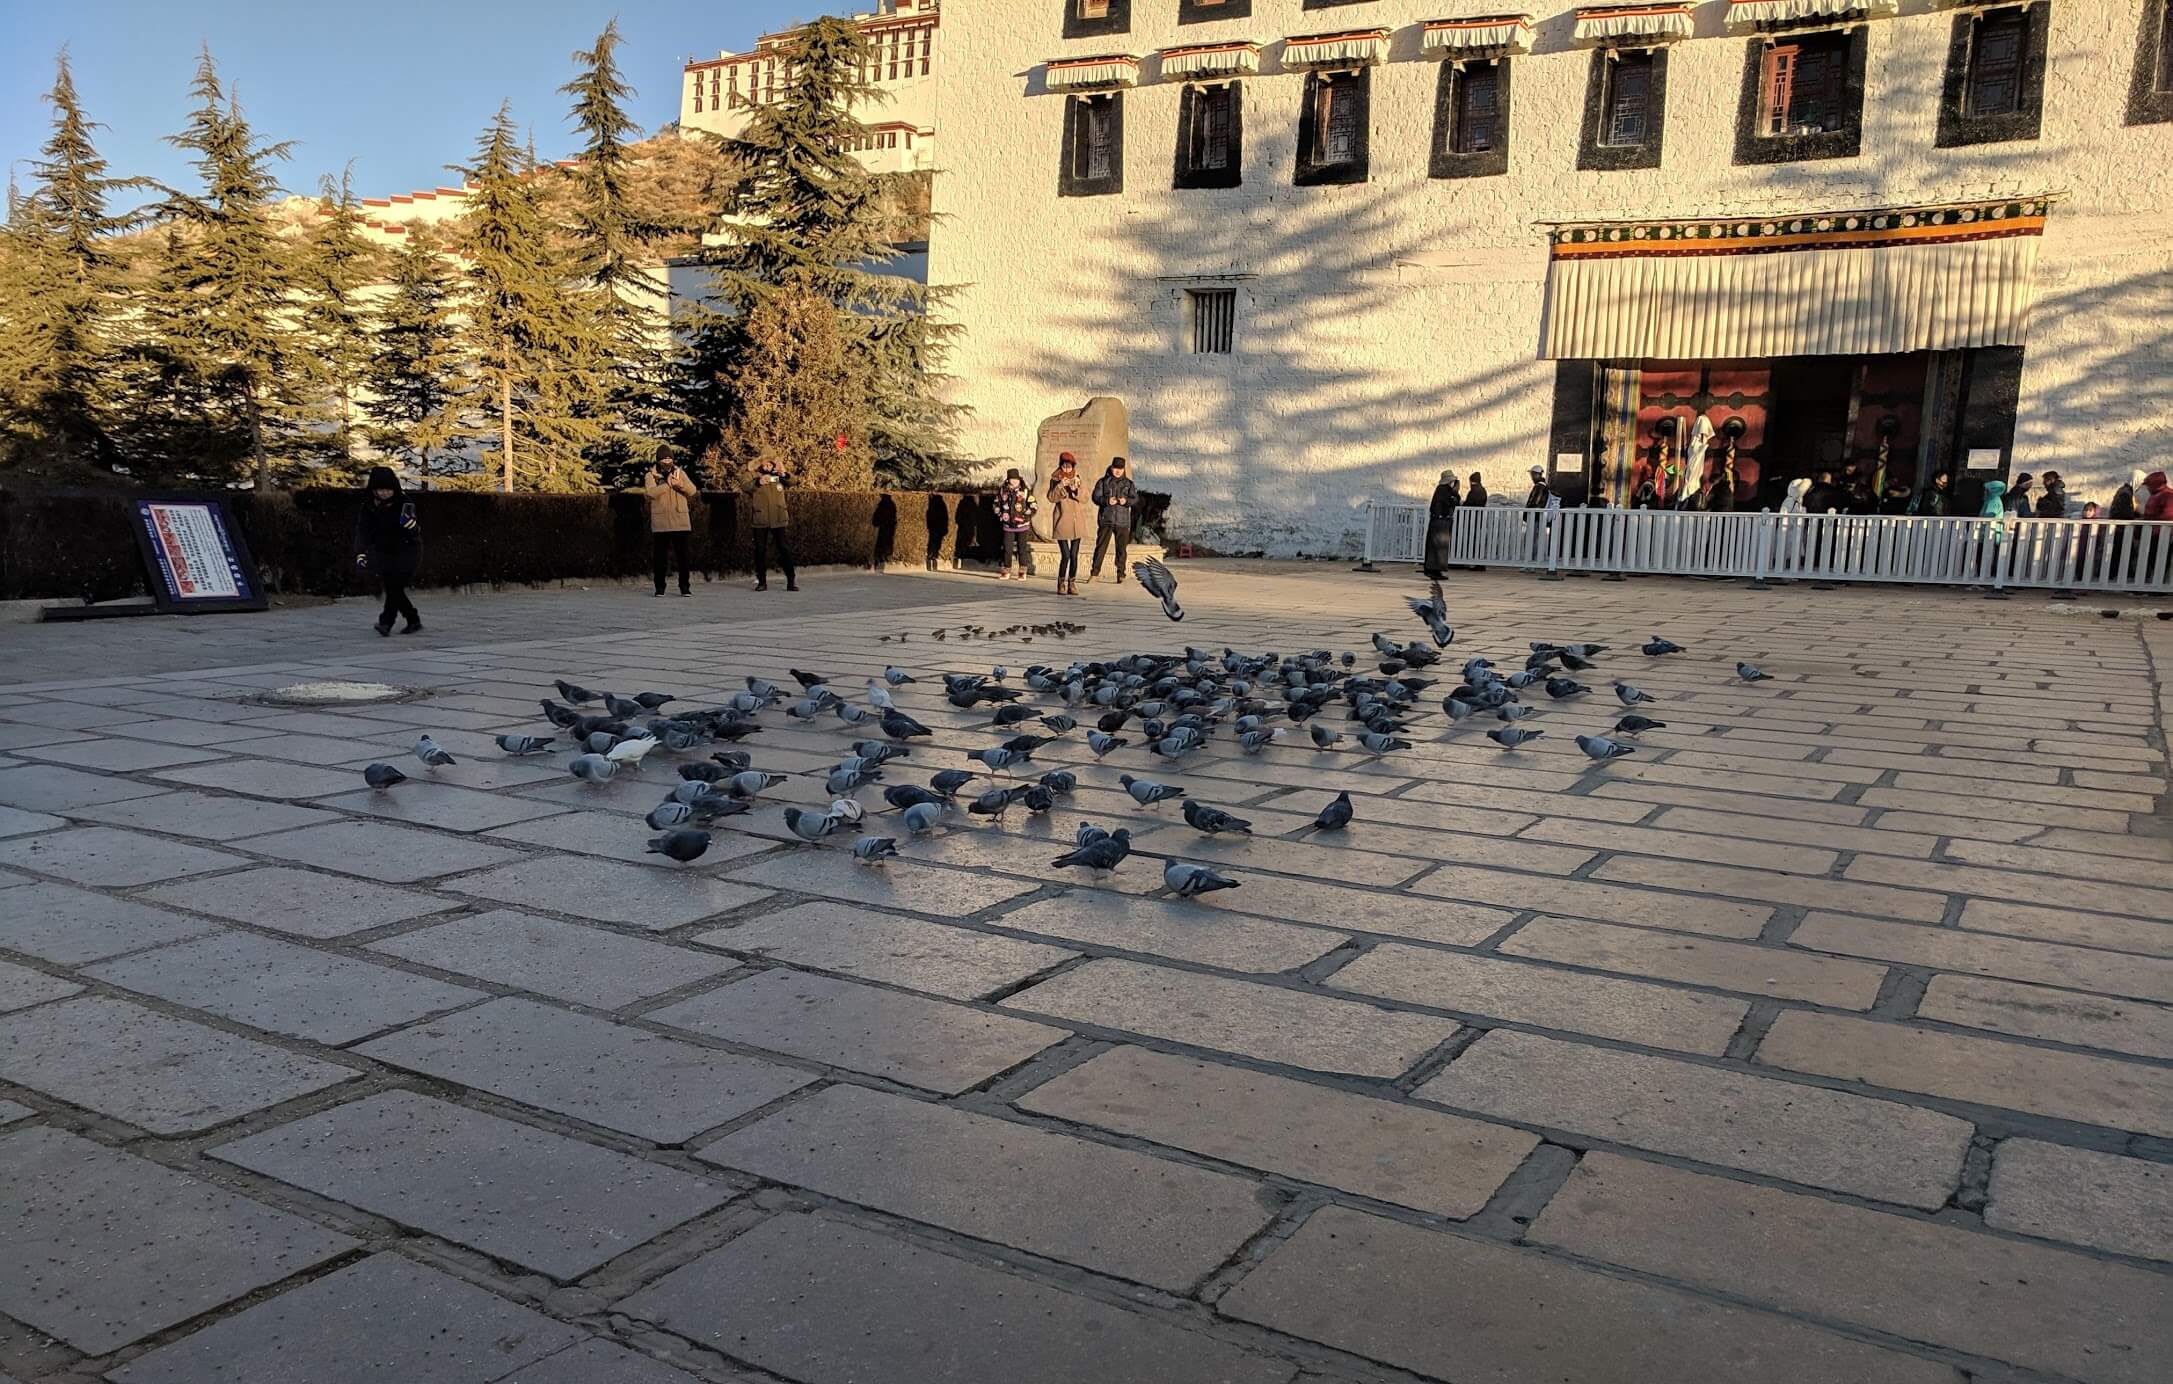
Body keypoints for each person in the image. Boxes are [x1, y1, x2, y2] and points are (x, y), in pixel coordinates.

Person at [354, 466, 422, 636]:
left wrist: (413, 527)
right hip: (384, 550)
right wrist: (360, 551)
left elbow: (413, 528)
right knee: (393, 587)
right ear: (373, 490)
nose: (384, 493)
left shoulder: (404, 502)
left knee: (396, 586)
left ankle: (386, 622)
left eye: (388, 490)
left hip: (408, 549)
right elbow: (363, 530)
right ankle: (413, 619)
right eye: (380, 490)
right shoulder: (369, 506)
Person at [643, 449, 697, 597]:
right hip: (661, 523)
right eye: (664, 459)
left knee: (683, 557)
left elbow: (692, 491)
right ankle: (660, 587)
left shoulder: (680, 473)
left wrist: (680, 485)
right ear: (658, 460)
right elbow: (650, 493)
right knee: (660, 558)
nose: (667, 462)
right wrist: (667, 485)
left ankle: (685, 587)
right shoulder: (650, 475)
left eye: (669, 459)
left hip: (681, 521)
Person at [748, 458, 796, 592]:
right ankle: (761, 581)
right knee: (760, 550)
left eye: (770, 464)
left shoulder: (778, 476)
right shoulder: (754, 475)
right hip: (761, 519)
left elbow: (793, 481)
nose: (768, 467)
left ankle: (791, 580)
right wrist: (759, 482)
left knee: (783, 549)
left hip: (778, 518)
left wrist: (784, 473)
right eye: (765, 464)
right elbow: (745, 486)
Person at [1089, 455, 1137, 583]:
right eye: (1116, 468)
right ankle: (1094, 573)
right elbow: (1095, 497)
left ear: (1123, 469)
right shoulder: (1103, 482)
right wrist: (1106, 501)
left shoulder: (1128, 484)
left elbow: (1135, 499)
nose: (1118, 471)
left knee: (1121, 549)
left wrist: (1126, 501)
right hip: (1106, 519)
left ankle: (1121, 574)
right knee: (1100, 547)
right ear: (1111, 467)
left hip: (1122, 521)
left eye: (1120, 469)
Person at [1047, 454, 1089, 596]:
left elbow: (1085, 498)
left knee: (1074, 555)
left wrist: (1076, 489)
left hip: (1077, 522)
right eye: (1064, 465)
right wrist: (1060, 486)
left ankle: (1072, 583)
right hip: (1062, 521)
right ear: (1060, 465)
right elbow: (1051, 498)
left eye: (1069, 466)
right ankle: (1061, 583)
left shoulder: (1078, 478)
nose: (1066, 468)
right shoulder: (1055, 478)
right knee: (1065, 555)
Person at [995, 467, 1036, 580]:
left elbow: (1033, 505)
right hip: (1008, 525)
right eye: (1012, 479)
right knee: (1007, 549)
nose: (1014, 481)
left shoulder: (1025, 490)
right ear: (1008, 480)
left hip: (1022, 525)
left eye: (1016, 479)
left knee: (1022, 548)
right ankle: (1006, 569)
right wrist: (1000, 515)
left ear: (1019, 479)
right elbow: (996, 504)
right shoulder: (1003, 490)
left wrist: (1026, 516)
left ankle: (1022, 571)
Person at [1423, 470, 1460, 578]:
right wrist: (1455, 493)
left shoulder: (1443, 490)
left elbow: (1455, 501)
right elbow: (1451, 502)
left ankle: (1434, 569)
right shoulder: (1444, 490)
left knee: (1437, 546)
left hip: (1439, 520)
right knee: (1438, 546)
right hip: (1440, 521)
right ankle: (1434, 569)